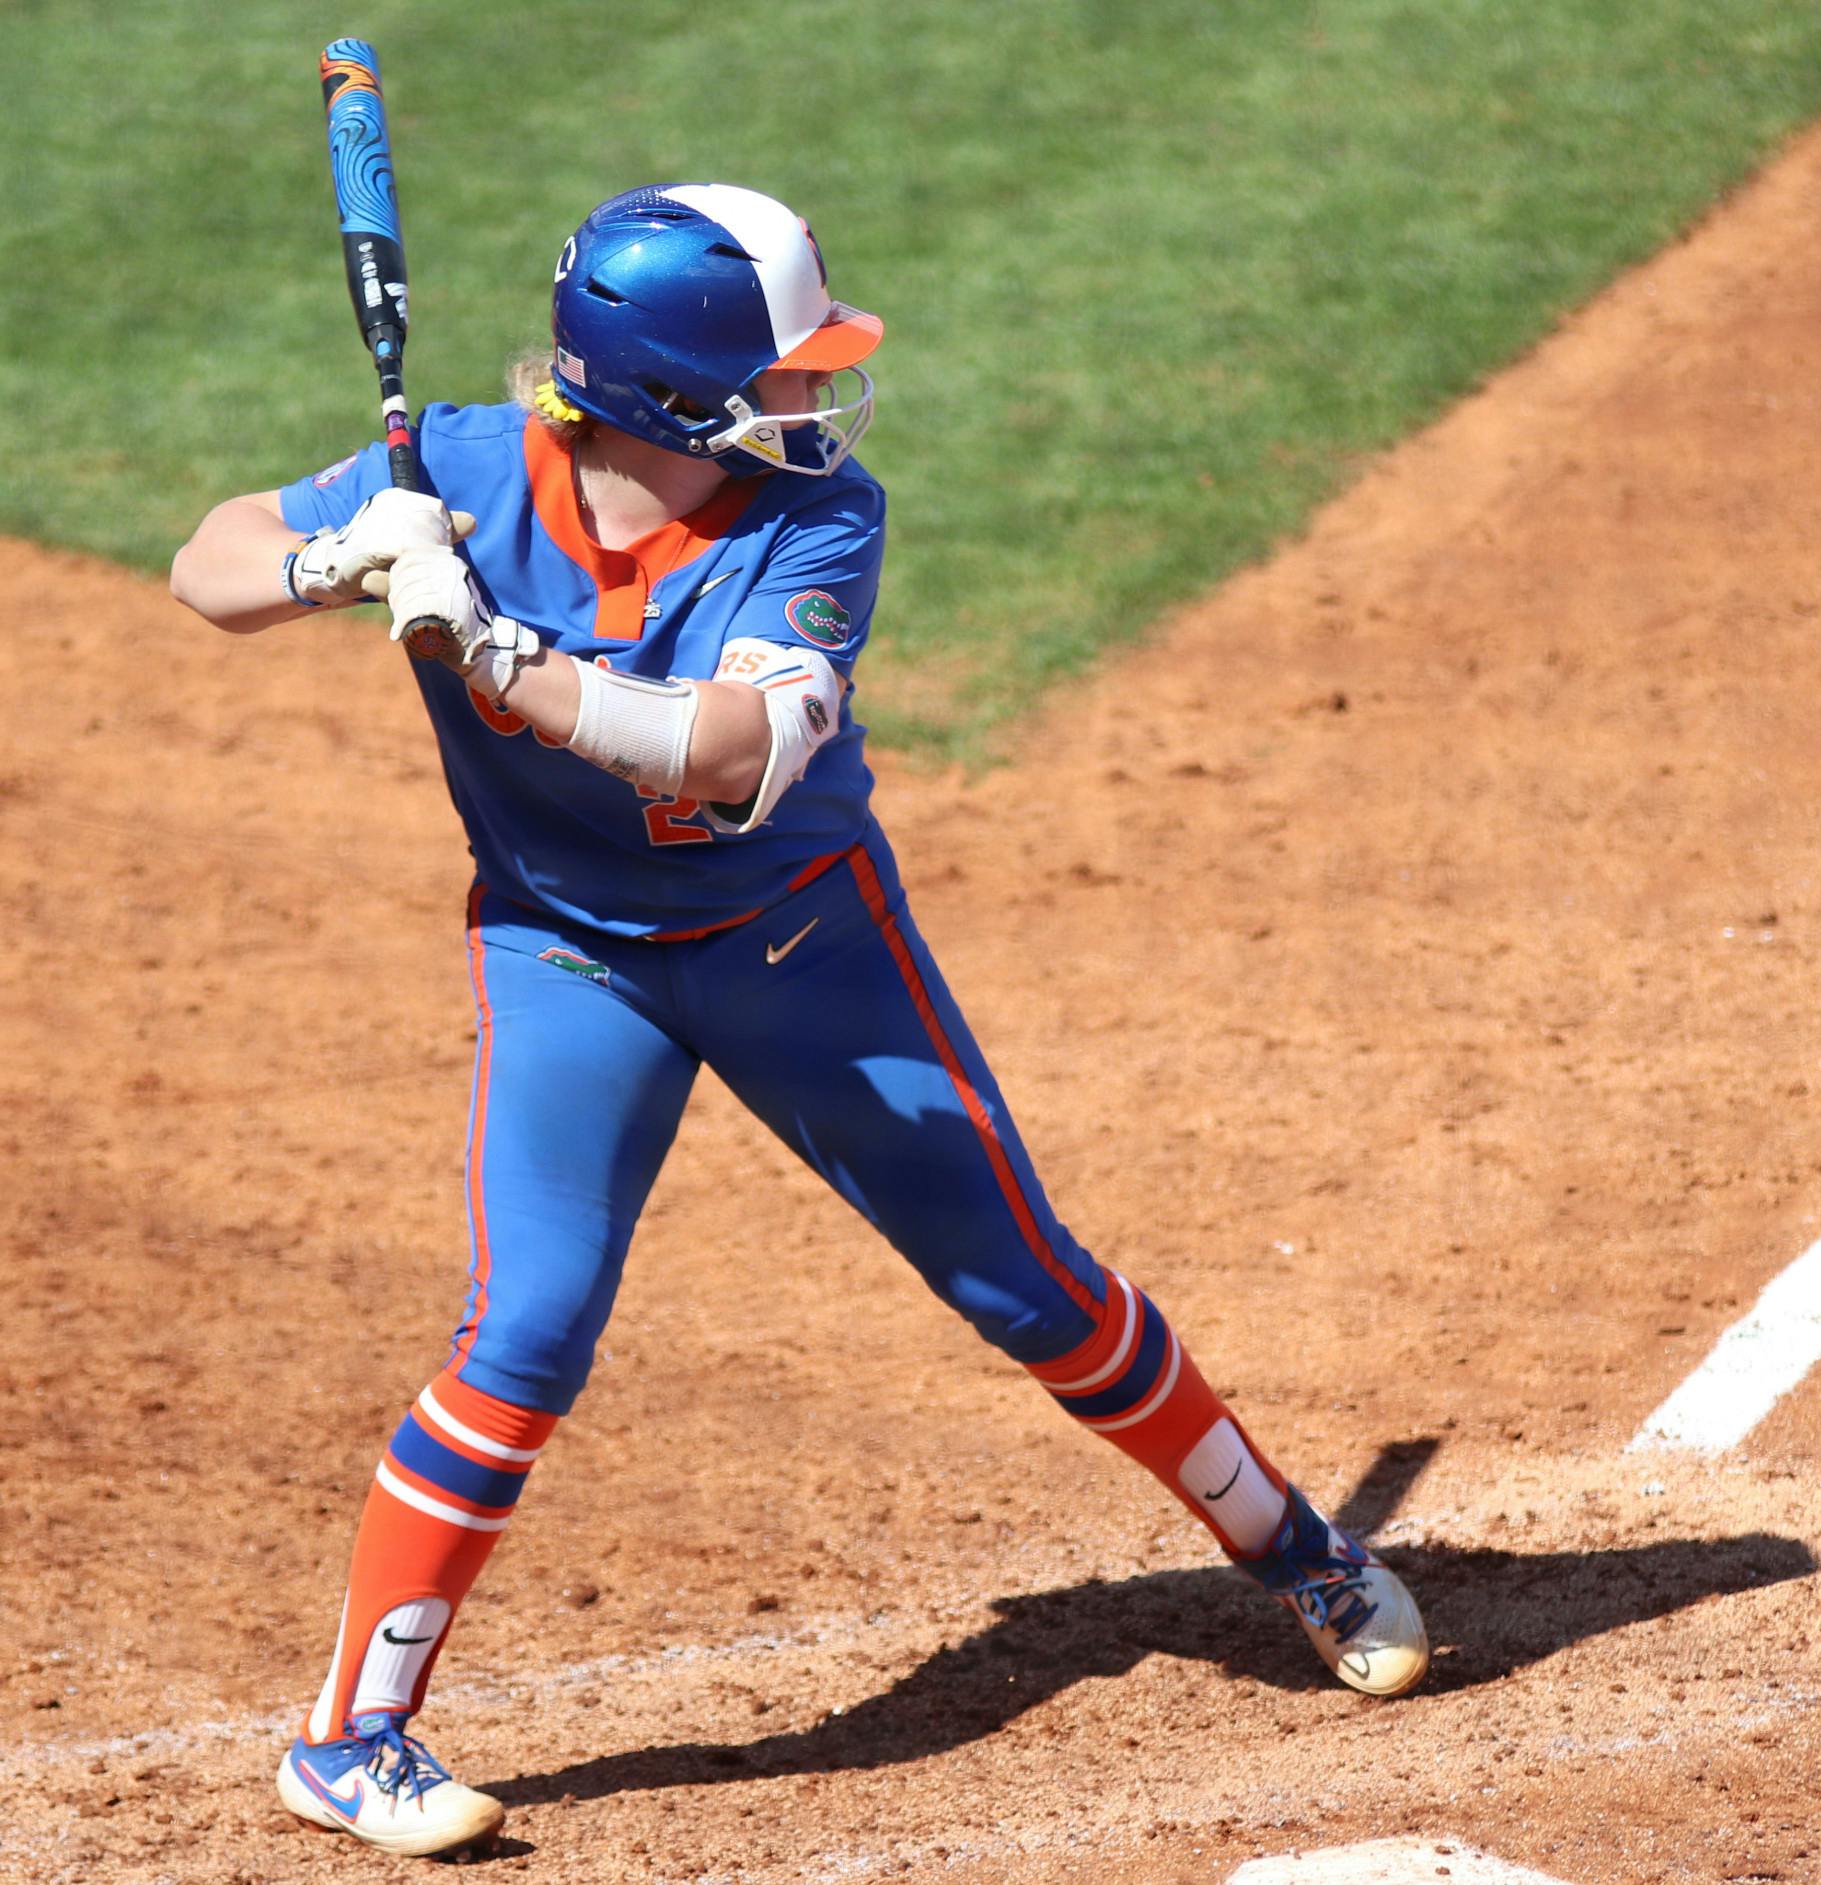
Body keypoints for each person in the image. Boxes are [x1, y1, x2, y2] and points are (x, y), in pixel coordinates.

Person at [171, 181, 1429, 1860]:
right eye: (786, 375)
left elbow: (727, 755)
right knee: (526, 1324)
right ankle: (350, 1738)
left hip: (798, 942)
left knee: (1032, 1288)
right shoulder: (457, 473)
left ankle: (1293, 1547)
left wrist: (483, 646)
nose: (816, 403)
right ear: (666, 392)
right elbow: (209, 560)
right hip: (569, 955)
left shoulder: (821, 521)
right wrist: (341, 558)